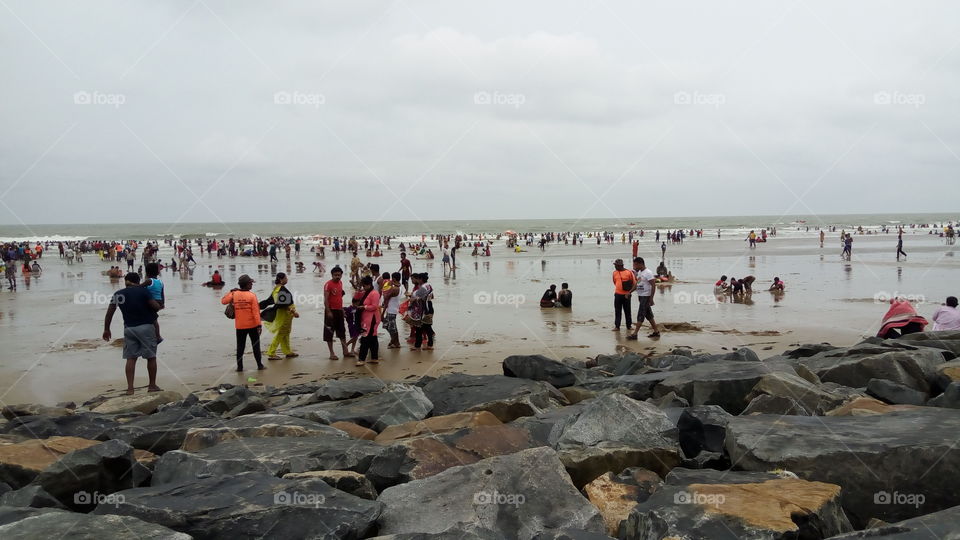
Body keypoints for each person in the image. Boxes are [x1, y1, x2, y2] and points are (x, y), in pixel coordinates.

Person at [102, 272, 162, 394]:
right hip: (146, 327)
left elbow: (110, 312)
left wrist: (106, 329)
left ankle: (130, 388)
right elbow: (155, 307)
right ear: (138, 281)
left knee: (131, 358)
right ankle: (152, 385)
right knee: (151, 357)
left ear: (126, 281)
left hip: (129, 329)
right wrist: (158, 303)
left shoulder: (118, 294)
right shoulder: (144, 291)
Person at [221, 274, 264, 371]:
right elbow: (256, 313)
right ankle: (260, 365)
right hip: (252, 325)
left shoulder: (234, 294)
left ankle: (239, 367)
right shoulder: (252, 296)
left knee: (240, 347)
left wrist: (231, 292)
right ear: (247, 284)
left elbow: (223, 301)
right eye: (251, 283)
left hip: (240, 326)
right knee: (256, 346)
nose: (252, 285)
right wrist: (259, 325)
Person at [261, 272, 299, 360]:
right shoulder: (281, 289)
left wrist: (257, 305)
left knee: (286, 332)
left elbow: (268, 301)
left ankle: (287, 351)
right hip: (286, 313)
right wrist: (293, 312)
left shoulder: (276, 289)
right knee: (282, 332)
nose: (287, 279)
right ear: (281, 280)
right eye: (286, 278)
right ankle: (271, 352)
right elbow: (283, 304)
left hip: (284, 313)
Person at [323, 266, 353, 360]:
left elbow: (339, 298)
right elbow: (326, 299)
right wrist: (328, 311)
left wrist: (342, 310)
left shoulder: (340, 283)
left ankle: (345, 351)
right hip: (331, 311)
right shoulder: (328, 284)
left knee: (342, 331)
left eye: (339, 275)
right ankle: (332, 353)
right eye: (335, 275)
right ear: (332, 275)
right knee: (329, 332)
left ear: (341, 275)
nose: (337, 277)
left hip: (339, 310)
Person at [627, 257, 659, 339]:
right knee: (649, 315)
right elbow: (637, 284)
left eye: (635, 265)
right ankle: (656, 331)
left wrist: (651, 298)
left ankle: (635, 334)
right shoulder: (640, 272)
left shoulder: (648, 273)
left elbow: (653, 285)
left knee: (640, 314)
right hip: (641, 296)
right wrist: (630, 291)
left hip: (646, 296)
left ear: (641, 264)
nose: (634, 266)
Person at [356, 275, 382, 366]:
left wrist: (364, 307)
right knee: (373, 338)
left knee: (365, 338)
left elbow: (374, 306)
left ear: (369, 284)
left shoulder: (374, 293)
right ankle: (374, 358)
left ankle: (362, 359)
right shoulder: (367, 292)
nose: (363, 287)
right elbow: (357, 297)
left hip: (372, 319)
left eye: (364, 286)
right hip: (367, 318)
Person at [408, 273, 435, 351]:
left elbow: (418, 298)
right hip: (429, 306)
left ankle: (418, 346)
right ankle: (429, 345)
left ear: (421, 279)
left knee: (419, 327)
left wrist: (412, 299)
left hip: (424, 308)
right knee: (427, 326)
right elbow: (432, 296)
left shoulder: (422, 288)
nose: (417, 280)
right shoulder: (428, 285)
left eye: (418, 279)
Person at [141, 262, 165, 343]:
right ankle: (157, 335)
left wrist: (132, 284)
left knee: (153, 319)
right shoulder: (160, 282)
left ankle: (157, 336)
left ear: (147, 272)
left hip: (151, 302)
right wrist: (163, 304)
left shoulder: (149, 281)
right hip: (159, 302)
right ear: (158, 272)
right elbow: (162, 293)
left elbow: (139, 287)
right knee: (153, 318)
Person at [611, 259, 634, 332]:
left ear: (621, 265)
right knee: (617, 311)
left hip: (626, 294)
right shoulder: (614, 273)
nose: (615, 267)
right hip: (617, 294)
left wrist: (629, 292)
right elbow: (614, 282)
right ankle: (617, 326)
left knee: (627, 311)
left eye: (616, 265)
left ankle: (629, 326)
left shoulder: (628, 272)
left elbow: (633, 282)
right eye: (615, 265)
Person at [381, 272, 402, 348]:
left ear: (394, 279)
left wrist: (382, 313)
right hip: (394, 308)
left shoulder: (394, 288)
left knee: (392, 327)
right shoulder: (400, 286)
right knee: (387, 325)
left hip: (391, 310)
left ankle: (395, 342)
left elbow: (386, 299)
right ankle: (394, 341)